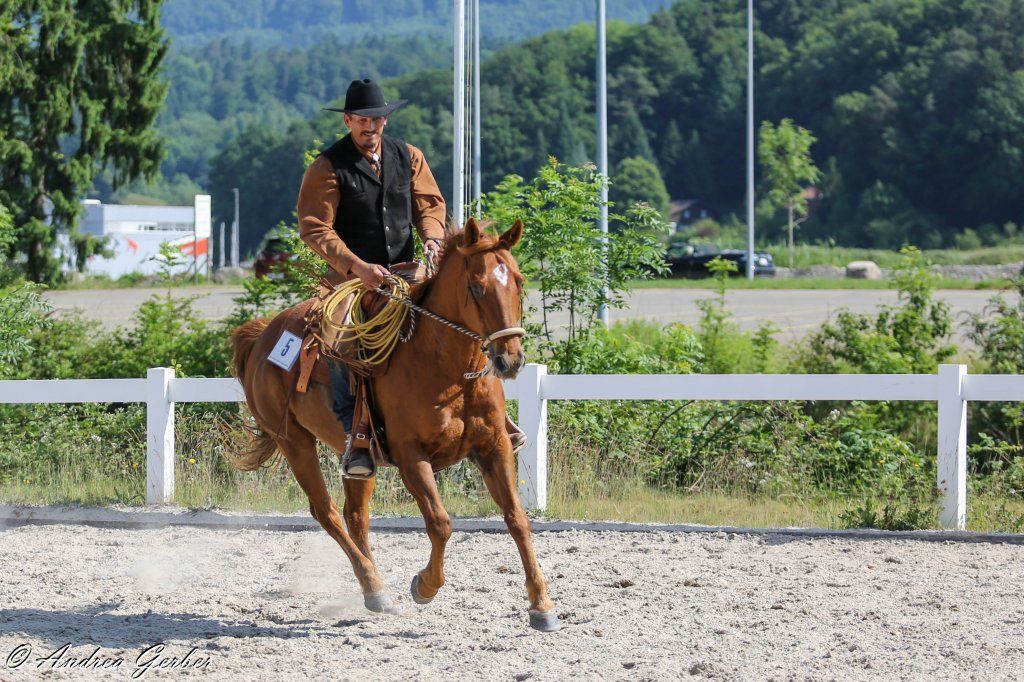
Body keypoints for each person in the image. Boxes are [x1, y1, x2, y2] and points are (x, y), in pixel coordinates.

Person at [296, 78, 524, 479]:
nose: (372, 127)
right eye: (363, 121)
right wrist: (357, 266)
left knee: (459, 314)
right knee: (339, 341)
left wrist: (434, 240)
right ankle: (357, 437)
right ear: (348, 121)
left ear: (386, 120)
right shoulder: (328, 167)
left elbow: (430, 206)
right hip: (351, 281)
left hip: (406, 271)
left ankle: (493, 417)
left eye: (378, 120)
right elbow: (316, 229)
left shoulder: (409, 156)